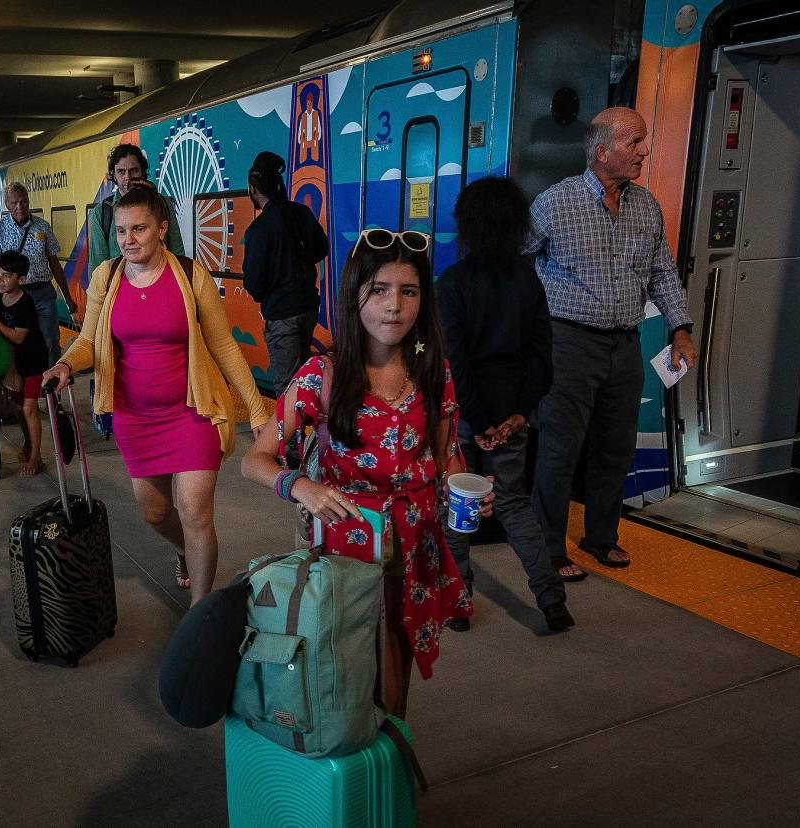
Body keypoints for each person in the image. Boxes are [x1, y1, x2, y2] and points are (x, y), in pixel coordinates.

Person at [241, 228, 490, 717]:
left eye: (409, 291)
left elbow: (445, 460)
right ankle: (346, 760)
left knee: (395, 663)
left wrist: (466, 490)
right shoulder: (323, 375)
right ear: (355, 295)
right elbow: (256, 459)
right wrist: (302, 487)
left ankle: (389, 760)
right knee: (341, 662)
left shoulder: (433, 373)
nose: (394, 305)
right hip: (343, 547)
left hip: (413, 545)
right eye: (378, 290)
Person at [43, 187, 270, 605]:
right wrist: (65, 365)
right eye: (123, 230)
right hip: (135, 417)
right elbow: (89, 341)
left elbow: (223, 346)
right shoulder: (106, 278)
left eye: (140, 229)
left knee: (195, 511)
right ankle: (184, 549)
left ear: (162, 228)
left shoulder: (189, 274)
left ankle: (199, 616)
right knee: (154, 513)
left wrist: (257, 410)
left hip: (192, 412)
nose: (129, 239)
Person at [528, 107, 698, 579]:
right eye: (636, 142)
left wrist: (680, 328)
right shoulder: (553, 204)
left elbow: (663, 272)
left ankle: (601, 537)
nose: (645, 150)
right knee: (560, 448)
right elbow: (513, 261)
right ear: (602, 152)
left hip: (625, 345)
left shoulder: (647, 206)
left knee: (615, 447)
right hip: (568, 342)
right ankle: (548, 548)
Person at [436, 177, 573, 633]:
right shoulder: (528, 281)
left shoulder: (453, 283)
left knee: (457, 506)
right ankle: (552, 601)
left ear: (468, 225)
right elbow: (541, 357)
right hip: (511, 416)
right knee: (514, 504)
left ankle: (458, 604)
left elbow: (455, 359)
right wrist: (517, 415)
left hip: (465, 417)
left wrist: (475, 420)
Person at [242, 151, 329, 397]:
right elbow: (321, 248)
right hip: (308, 307)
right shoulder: (301, 213)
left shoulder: (258, 229)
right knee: (303, 378)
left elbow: (254, 283)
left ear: (254, 187)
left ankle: (291, 435)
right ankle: (304, 432)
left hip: (282, 314)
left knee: (286, 388)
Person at [0, 251, 49, 476]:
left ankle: (36, 457)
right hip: (13, 363)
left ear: (21, 280)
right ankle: (28, 444)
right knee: (18, 409)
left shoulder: (25, 304)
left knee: (29, 409)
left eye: (6, 276)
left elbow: (18, 337)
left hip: (34, 361)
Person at [0, 183, 78, 365]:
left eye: (23, 202)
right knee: (16, 341)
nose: (20, 207)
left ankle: (52, 385)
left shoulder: (42, 227)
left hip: (42, 293)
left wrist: (67, 297)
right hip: (14, 296)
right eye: (14, 203)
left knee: (50, 340)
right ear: (6, 204)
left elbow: (54, 263)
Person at [85, 143, 184, 285]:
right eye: (121, 171)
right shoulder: (101, 214)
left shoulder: (163, 204)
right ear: (113, 174)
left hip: (163, 285)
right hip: (121, 290)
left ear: (142, 171)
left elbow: (177, 252)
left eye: (133, 170)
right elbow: (97, 266)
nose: (127, 177)